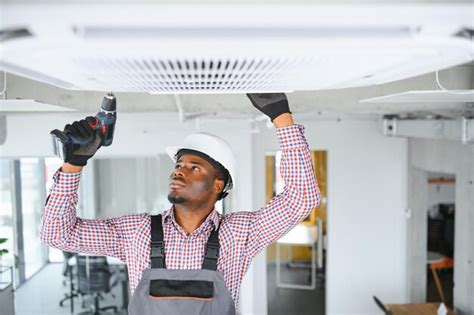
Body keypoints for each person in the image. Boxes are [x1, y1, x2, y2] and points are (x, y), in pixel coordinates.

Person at [40, 93, 320, 315]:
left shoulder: (239, 234)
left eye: (194, 167)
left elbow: (302, 197)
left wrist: (281, 117)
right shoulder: (137, 232)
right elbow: (56, 234)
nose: (178, 171)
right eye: (178, 164)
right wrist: (73, 166)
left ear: (217, 185)